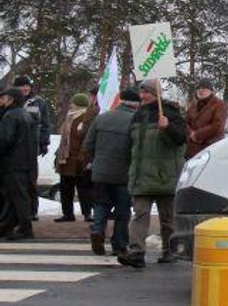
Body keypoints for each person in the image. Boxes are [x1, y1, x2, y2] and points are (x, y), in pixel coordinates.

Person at [122, 80, 186, 268]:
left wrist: (168, 127)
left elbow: (181, 139)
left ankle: (169, 251)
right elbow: (131, 145)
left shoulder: (172, 113)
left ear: (156, 94)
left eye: (147, 92)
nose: (143, 96)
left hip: (165, 176)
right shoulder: (137, 116)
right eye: (141, 93)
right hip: (141, 176)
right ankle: (137, 252)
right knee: (140, 215)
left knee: (167, 218)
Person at [83, 87, 140, 257]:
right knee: (123, 211)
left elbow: (88, 144)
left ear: (120, 101)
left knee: (101, 205)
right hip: (124, 173)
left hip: (100, 172)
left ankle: (97, 231)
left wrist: (96, 160)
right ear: (136, 105)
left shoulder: (102, 118)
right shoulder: (135, 122)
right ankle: (119, 244)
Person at [0, 87, 38, 241]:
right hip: (26, 162)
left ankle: (25, 228)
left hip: (13, 162)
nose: (2, 100)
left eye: (4, 97)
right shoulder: (25, 115)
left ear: (12, 99)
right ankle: (6, 227)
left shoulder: (10, 116)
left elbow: (5, 140)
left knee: (18, 196)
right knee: (14, 196)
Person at [13, 75, 52, 220]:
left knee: (30, 180)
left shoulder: (39, 102)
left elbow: (46, 124)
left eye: (27, 86)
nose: (24, 88)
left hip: (31, 146)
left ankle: (32, 210)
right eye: (21, 86)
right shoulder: (11, 101)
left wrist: (44, 143)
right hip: (14, 147)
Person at [54, 92, 95, 223]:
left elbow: (87, 139)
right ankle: (68, 213)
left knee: (83, 189)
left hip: (79, 159)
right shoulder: (69, 118)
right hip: (65, 159)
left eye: (74, 103)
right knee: (65, 189)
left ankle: (87, 213)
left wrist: (84, 157)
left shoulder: (86, 119)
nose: (71, 105)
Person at [185, 78, 228, 159]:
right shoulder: (192, 105)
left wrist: (197, 134)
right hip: (191, 149)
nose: (201, 90)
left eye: (204, 88)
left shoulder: (219, 105)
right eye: (199, 88)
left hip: (210, 148)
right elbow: (185, 122)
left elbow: (217, 126)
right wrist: (190, 133)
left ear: (211, 91)